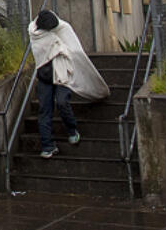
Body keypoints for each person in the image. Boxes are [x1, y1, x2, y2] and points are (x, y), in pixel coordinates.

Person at [28, 9, 109, 158]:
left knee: (62, 102)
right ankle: (47, 146)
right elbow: (39, 53)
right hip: (45, 76)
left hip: (62, 73)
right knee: (44, 110)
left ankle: (72, 130)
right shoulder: (34, 32)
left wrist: (62, 50)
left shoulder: (63, 28)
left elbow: (75, 50)